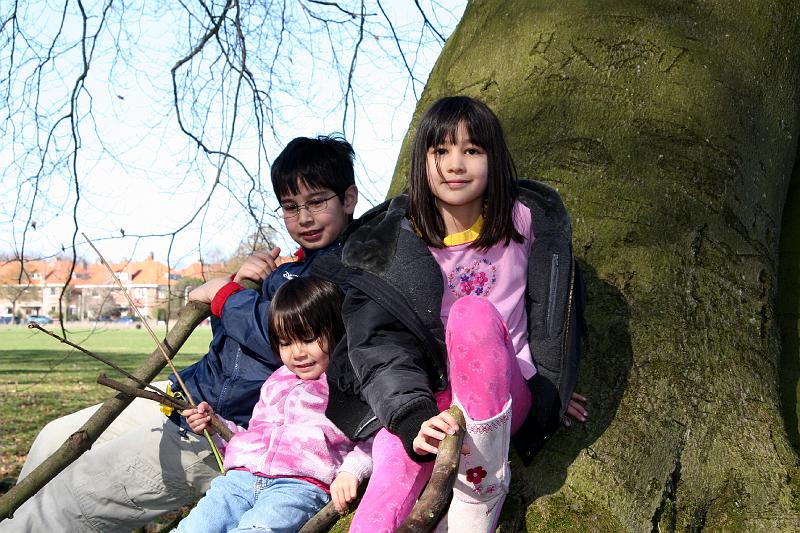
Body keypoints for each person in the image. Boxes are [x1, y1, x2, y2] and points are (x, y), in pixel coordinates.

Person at [1, 135, 358, 533]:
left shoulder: (353, 269)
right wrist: (248, 283)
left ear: (348, 199)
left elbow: (282, 344)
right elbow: (233, 346)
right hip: (185, 392)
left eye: (316, 202)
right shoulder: (295, 267)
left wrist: (225, 295)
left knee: (63, 503)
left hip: (226, 429)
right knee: (56, 437)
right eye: (291, 207)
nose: (304, 218)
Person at [312, 96, 588, 532]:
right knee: (389, 484)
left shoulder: (524, 221)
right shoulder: (395, 245)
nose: (455, 164)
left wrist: (555, 383)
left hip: (502, 392)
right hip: (431, 399)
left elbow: (556, 308)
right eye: (441, 151)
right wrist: (411, 419)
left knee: (471, 315)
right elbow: (380, 346)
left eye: (472, 150)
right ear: (422, 161)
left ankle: (480, 488)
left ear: (494, 159)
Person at [174, 277, 371, 533]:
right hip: (239, 481)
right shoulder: (276, 380)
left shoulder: (348, 382)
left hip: (298, 486)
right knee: (193, 528)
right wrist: (215, 424)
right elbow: (257, 433)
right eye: (286, 343)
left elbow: (377, 438)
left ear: (336, 331)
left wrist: (351, 471)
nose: (297, 353)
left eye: (308, 339)